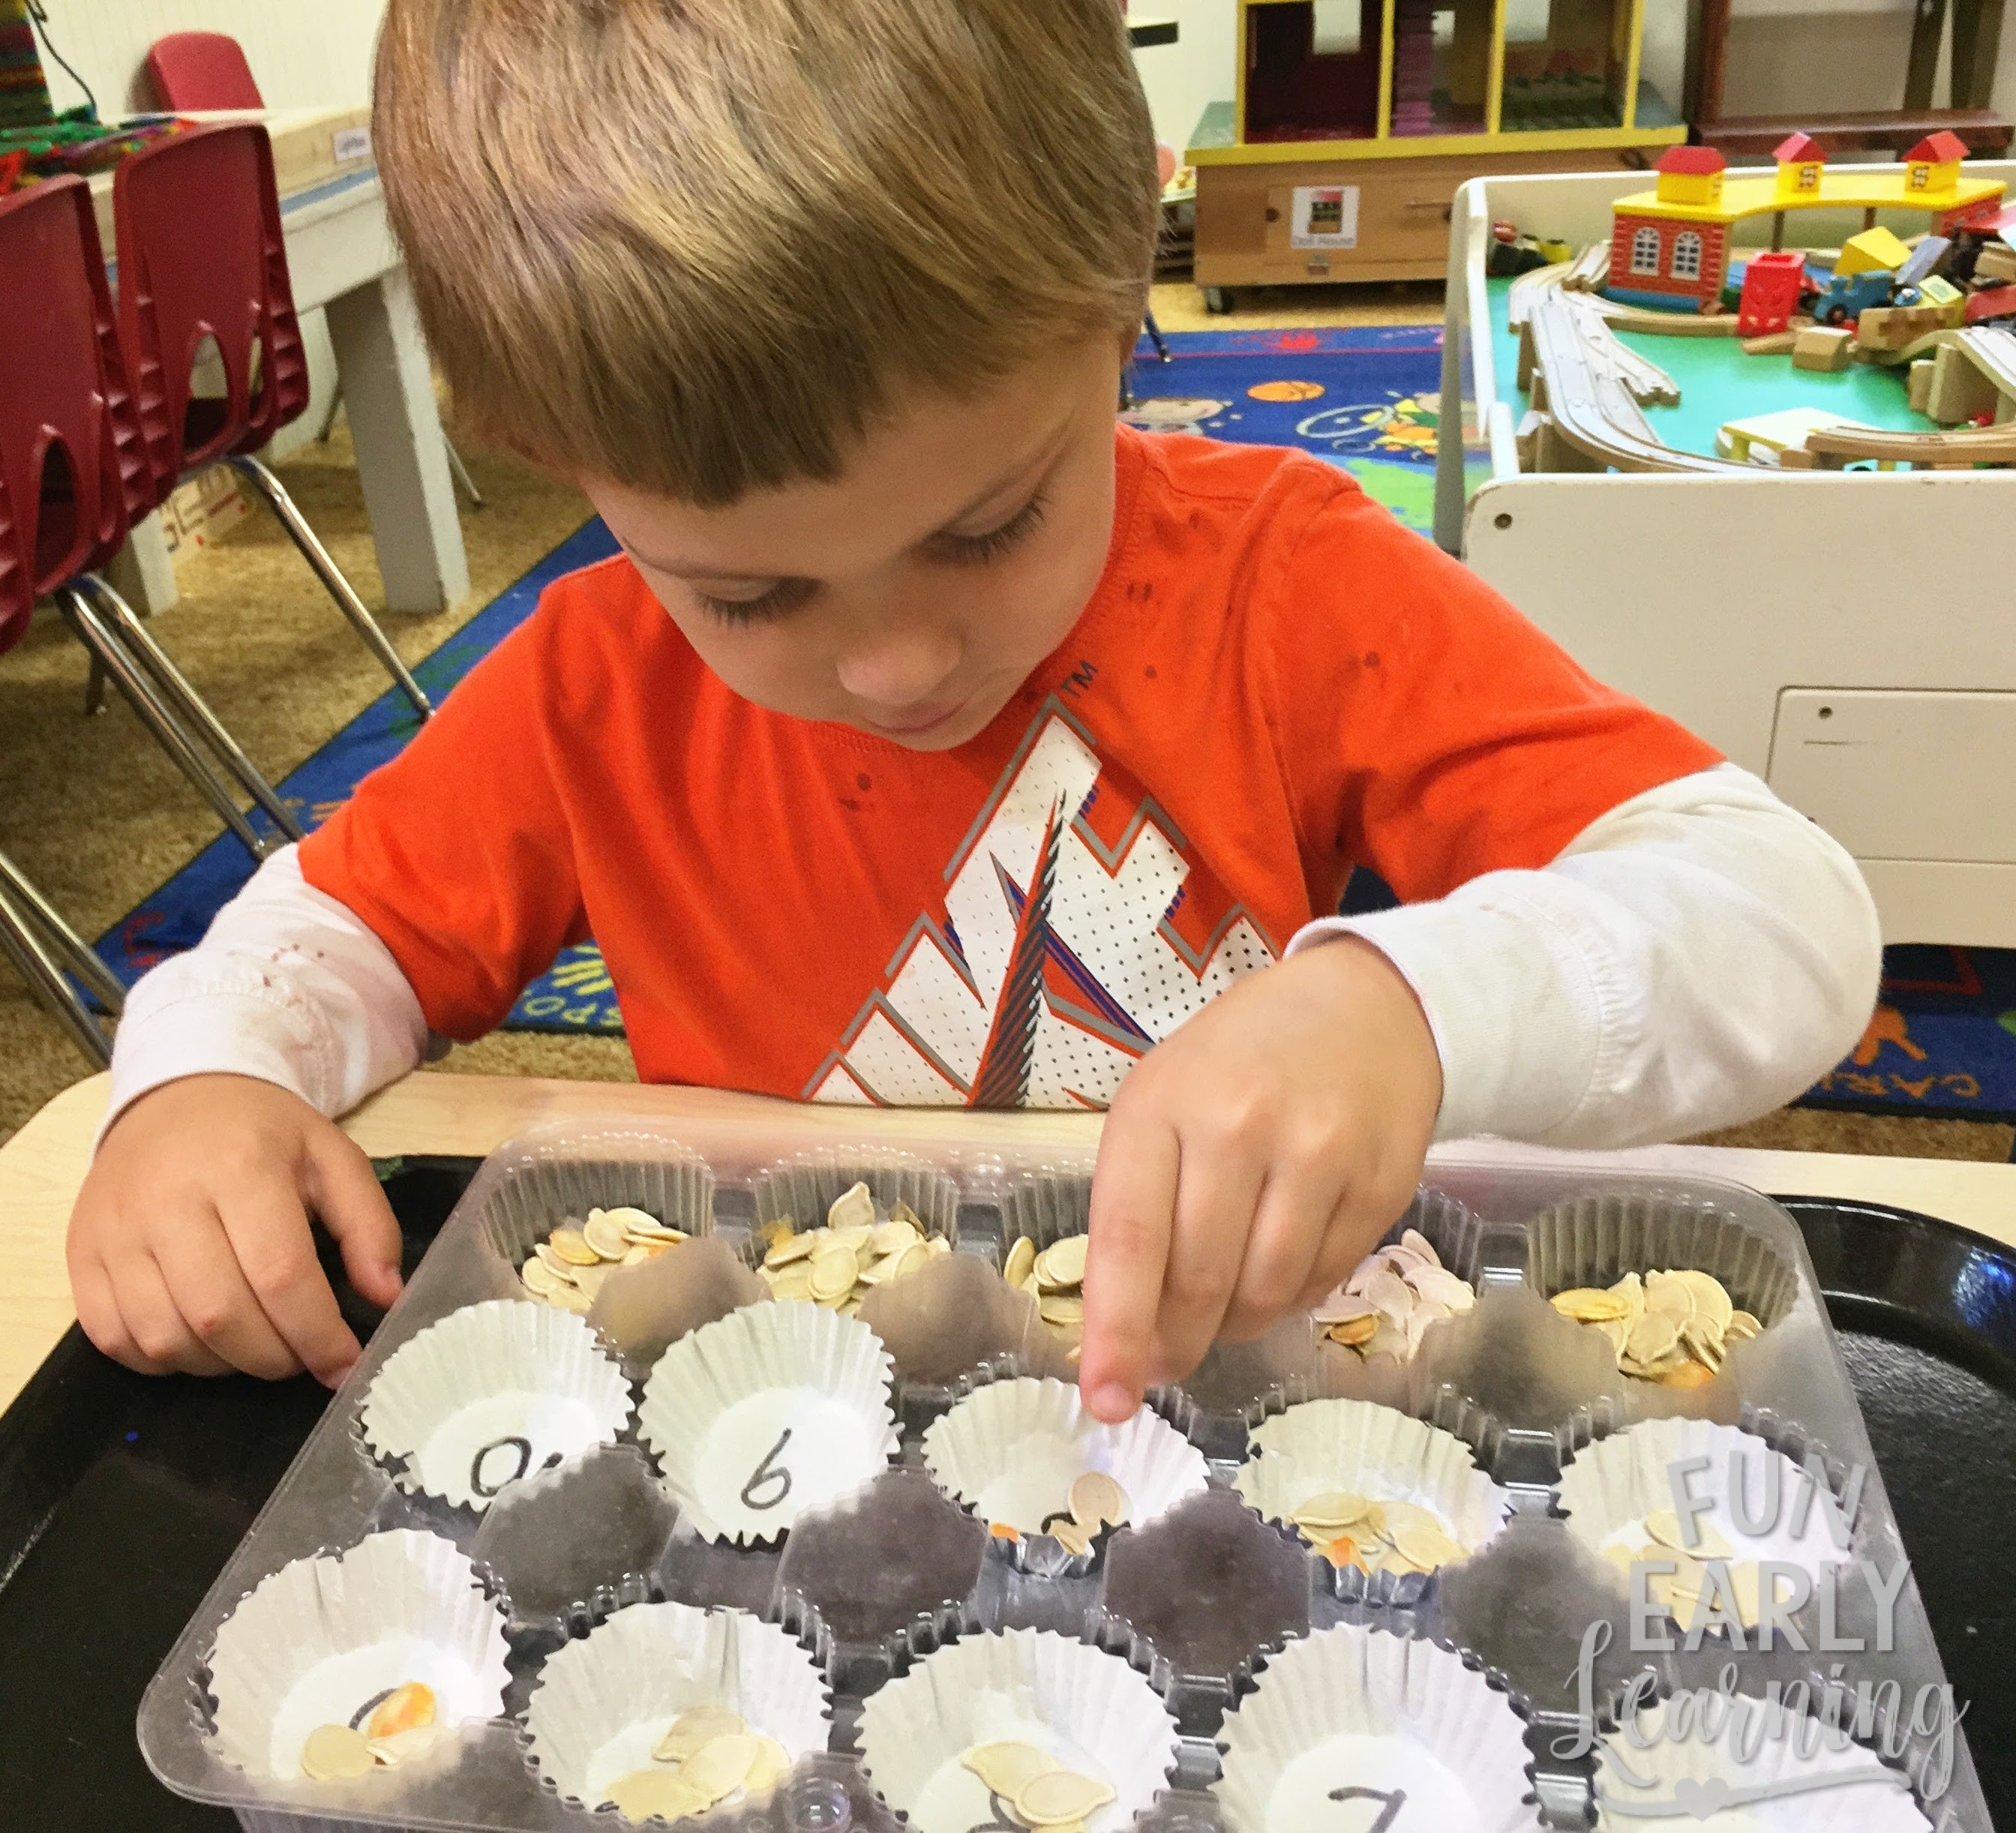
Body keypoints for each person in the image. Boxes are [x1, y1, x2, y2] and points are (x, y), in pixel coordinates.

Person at [66, 0, 1879, 1420]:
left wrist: (1407, 1004)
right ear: (549, 457)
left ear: (1124, 285)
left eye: (988, 524)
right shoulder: (586, 691)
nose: (895, 665)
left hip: (1235, 1406)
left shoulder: (1285, 583)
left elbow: (1783, 914)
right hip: (802, 1413)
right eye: (750, 594)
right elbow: (324, 937)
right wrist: (203, 1080)